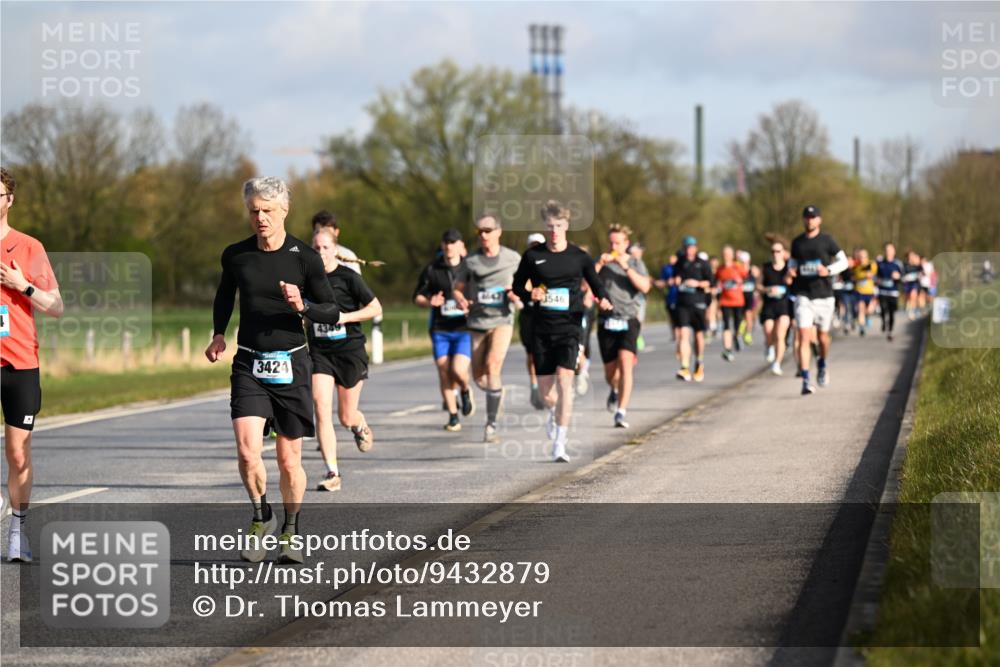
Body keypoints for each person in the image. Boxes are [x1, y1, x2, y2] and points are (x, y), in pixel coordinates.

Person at [206, 176, 342, 564]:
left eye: (267, 210)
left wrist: (303, 307)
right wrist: (218, 334)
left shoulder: (305, 257)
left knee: (288, 461)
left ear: (284, 210)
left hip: (292, 364)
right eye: (254, 211)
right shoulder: (236, 255)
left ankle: (291, 529)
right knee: (249, 453)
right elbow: (223, 296)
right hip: (249, 361)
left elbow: (331, 309)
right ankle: (260, 514)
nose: (260, 218)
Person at [511, 201, 612, 462]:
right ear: (545, 227)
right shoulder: (533, 256)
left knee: (566, 382)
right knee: (547, 394)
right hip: (541, 328)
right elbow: (517, 286)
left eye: (559, 226)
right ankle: (553, 415)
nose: (554, 231)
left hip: (569, 327)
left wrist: (603, 298)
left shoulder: (579, 257)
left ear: (566, 226)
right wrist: (528, 292)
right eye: (550, 227)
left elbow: (595, 283)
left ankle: (560, 443)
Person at [0, 167, 64, 563]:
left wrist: (22, 285)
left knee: (18, 453)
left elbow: (56, 306)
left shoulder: (28, 247)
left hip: (19, 362)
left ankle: (18, 529)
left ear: (9, 200)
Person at [308, 226, 382, 492]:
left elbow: (376, 308)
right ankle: (332, 472)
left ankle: (359, 425)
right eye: (316, 248)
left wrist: (345, 317)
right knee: (320, 406)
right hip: (320, 353)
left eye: (325, 247)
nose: (320, 252)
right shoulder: (306, 279)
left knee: (346, 416)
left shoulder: (348, 277)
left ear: (335, 250)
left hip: (349, 351)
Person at [454, 215, 522, 443]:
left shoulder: (513, 259)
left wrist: (515, 292)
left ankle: (491, 425)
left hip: (502, 320)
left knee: (493, 366)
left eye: (488, 230)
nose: (483, 235)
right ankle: (496, 394)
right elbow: (457, 288)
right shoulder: (471, 260)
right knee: (479, 378)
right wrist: (461, 299)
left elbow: (527, 284)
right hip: (477, 323)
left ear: (498, 232)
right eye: (480, 231)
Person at [413, 229, 473, 432]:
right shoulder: (432, 269)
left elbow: (478, 296)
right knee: (443, 370)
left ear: (460, 245)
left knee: (457, 370)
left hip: (463, 329)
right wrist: (430, 301)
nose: (449, 246)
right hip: (440, 329)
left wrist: (470, 305)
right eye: (446, 242)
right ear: (442, 245)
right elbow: (417, 297)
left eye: (453, 242)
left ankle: (465, 389)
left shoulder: (469, 269)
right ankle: (453, 415)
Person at [788, 205, 848, 395]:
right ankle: (805, 380)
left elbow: (844, 262)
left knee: (823, 338)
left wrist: (828, 270)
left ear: (819, 220)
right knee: (804, 336)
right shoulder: (797, 243)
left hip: (824, 296)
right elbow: (793, 262)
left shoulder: (827, 241)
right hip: (804, 295)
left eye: (813, 217)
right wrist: (790, 270)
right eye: (806, 217)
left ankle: (822, 363)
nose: (809, 220)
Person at [595, 225, 651, 428]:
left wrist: (626, 267)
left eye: (617, 243)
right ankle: (615, 389)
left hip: (629, 319)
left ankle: (621, 411)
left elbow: (645, 287)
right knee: (611, 372)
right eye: (611, 242)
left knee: (626, 362)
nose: (613, 246)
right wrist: (599, 264)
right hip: (606, 320)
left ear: (626, 244)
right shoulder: (601, 263)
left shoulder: (636, 263)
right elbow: (585, 285)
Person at [672, 237, 714, 382]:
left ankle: (699, 362)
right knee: (683, 334)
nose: (689, 249)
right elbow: (674, 277)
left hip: (698, 303)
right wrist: (676, 280)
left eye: (691, 247)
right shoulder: (680, 262)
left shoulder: (702, 263)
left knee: (698, 336)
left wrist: (697, 283)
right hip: (682, 303)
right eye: (686, 247)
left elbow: (710, 283)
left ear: (695, 248)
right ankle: (684, 367)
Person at [519, 233, 546, 409]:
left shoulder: (550, 263)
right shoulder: (523, 264)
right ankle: (535, 385)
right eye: (532, 245)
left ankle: (548, 385)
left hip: (547, 314)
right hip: (528, 315)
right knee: (531, 355)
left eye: (538, 245)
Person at [759, 234, 793, 375]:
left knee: (780, 335)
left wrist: (789, 278)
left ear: (783, 253)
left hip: (783, 305)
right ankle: (769, 346)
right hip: (769, 304)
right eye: (773, 251)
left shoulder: (788, 268)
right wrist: (768, 289)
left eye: (778, 251)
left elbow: (792, 284)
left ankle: (777, 363)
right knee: (768, 331)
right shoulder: (766, 268)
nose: (775, 254)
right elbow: (758, 286)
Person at [715, 245, 747, 362]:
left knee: (739, 324)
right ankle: (727, 349)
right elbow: (716, 282)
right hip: (725, 301)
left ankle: (737, 336)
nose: (726, 256)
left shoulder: (738, 267)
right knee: (726, 325)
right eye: (724, 254)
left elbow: (746, 276)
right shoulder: (720, 269)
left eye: (728, 254)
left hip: (738, 300)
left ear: (732, 255)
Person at [311, 210, 361, 274]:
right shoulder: (306, 257)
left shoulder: (349, 256)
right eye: (318, 231)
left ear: (336, 232)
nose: (322, 235)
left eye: (327, 232)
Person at [876, 242, 903, 342]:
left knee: (892, 313)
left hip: (893, 292)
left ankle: (890, 331)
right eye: (887, 250)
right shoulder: (880, 263)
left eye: (890, 250)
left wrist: (898, 277)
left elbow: (903, 278)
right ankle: (883, 321)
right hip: (882, 291)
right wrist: (877, 280)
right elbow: (875, 276)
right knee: (883, 309)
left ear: (894, 251)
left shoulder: (898, 264)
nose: (888, 252)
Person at [852, 248, 878, 336]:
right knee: (861, 309)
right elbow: (854, 276)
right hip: (859, 291)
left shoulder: (872, 264)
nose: (862, 259)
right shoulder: (856, 266)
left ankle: (867, 317)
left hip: (869, 291)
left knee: (869, 310)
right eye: (860, 257)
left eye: (864, 257)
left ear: (867, 257)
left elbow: (874, 274)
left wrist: (871, 275)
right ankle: (862, 328)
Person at [737, 250, 758, 347]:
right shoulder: (737, 269)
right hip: (740, 295)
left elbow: (758, 280)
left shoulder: (753, 269)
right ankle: (740, 332)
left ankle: (748, 334)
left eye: (745, 261)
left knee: (749, 315)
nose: (743, 263)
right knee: (742, 316)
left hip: (750, 295)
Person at [902, 250, 923, 320]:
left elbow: (922, 272)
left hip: (915, 284)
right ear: (908, 257)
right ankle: (911, 309)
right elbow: (902, 274)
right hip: (907, 284)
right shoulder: (905, 265)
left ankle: (912, 312)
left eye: (913, 256)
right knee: (909, 298)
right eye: (910, 256)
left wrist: (919, 274)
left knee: (913, 296)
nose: (911, 257)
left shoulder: (917, 265)